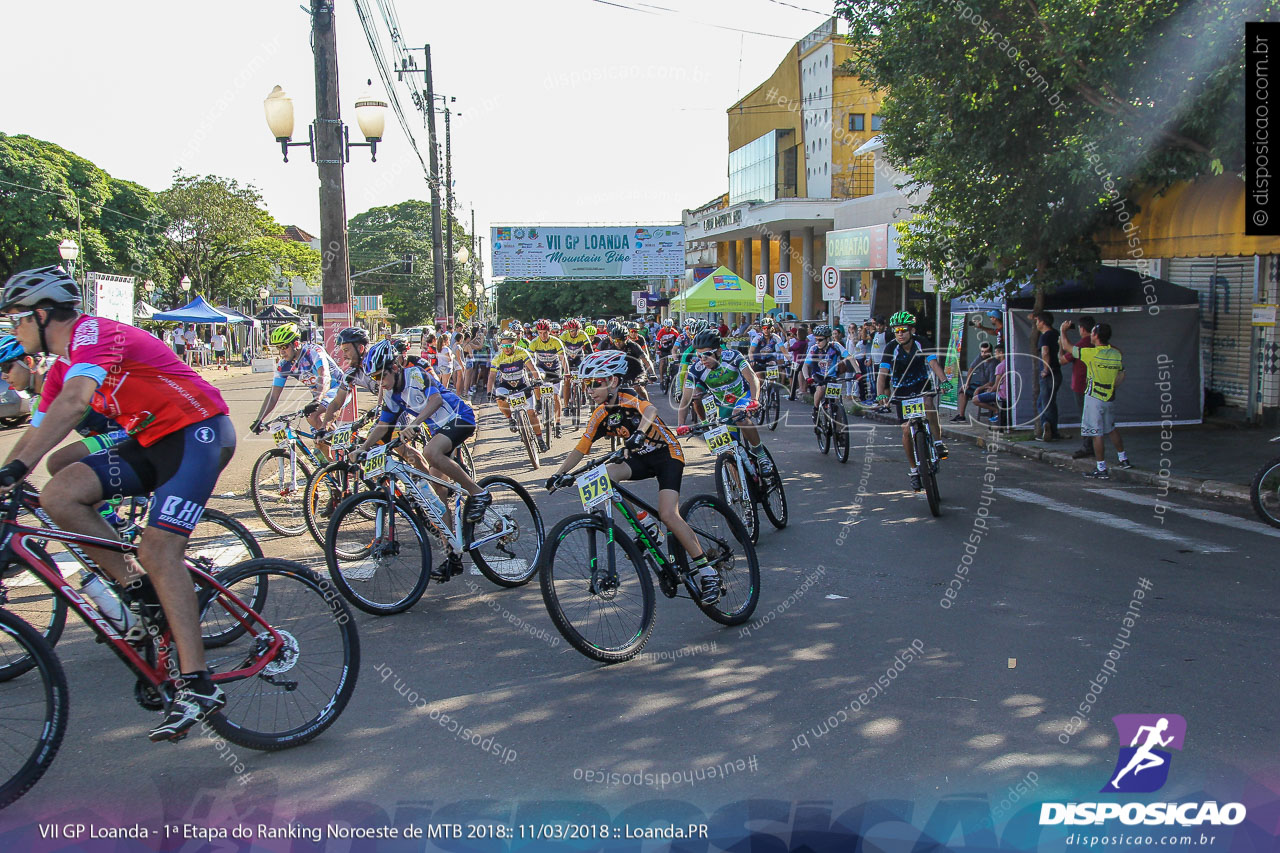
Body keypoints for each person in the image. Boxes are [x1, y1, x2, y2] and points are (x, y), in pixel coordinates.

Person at [0, 265, 236, 741]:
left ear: (43, 315)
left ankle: (197, 683)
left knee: (158, 549)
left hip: (199, 433)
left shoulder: (95, 333)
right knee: (59, 494)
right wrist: (7, 477)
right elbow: (37, 432)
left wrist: (11, 472)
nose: (13, 328)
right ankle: (137, 591)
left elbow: (73, 406)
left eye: (16, 318)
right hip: (151, 442)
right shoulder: (60, 369)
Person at [545, 349, 721, 604]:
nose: (590, 390)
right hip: (639, 458)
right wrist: (559, 474)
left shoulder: (629, 398)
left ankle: (708, 572)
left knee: (669, 514)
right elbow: (581, 448)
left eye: (595, 383)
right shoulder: (600, 415)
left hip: (667, 455)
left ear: (613, 381)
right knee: (600, 477)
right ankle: (645, 524)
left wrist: (639, 433)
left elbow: (650, 411)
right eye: (586, 385)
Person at [352, 340, 489, 576]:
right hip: (440, 430)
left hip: (459, 417)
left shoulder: (414, 374)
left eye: (381, 376)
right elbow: (384, 424)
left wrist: (414, 424)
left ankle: (478, 492)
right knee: (438, 498)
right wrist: (363, 447)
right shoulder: (391, 395)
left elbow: (435, 401)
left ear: (394, 368)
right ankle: (453, 554)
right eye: (374, 378)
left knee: (430, 453)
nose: (379, 382)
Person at [676, 328, 774, 476]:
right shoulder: (696, 369)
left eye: (707, 354)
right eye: (699, 355)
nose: (703, 359)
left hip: (743, 396)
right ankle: (741, 490)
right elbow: (685, 399)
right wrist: (681, 423)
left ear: (719, 352)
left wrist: (754, 400)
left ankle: (760, 454)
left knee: (739, 414)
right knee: (726, 451)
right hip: (723, 405)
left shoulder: (733, 357)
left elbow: (752, 378)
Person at [875, 311, 951, 492]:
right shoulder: (891, 348)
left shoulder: (921, 342)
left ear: (912, 330)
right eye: (896, 331)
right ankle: (914, 470)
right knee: (905, 430)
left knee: (928, 404)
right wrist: (880, 395)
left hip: (922, 384)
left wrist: (944, 380)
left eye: (903, 330)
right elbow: (882, 374)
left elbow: (933, 364)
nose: (900, 334)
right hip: (902, 390)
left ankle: (938, 442)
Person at [249, 322, 341, 460]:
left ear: (296, 343)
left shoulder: (314, 352)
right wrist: (259, 419)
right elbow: (273, 396)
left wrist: (317, 399)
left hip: (338, 389)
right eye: (278, 348)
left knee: (313, 417)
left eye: (284, 347)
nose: (281, 352)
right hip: (319, 396)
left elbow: (325, 377)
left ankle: (344, 447)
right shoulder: (284, 365)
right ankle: (334, 471)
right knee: (319, 444)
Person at [1059, 320, 1131, 478]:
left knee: (1096, 432)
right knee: (1111, 428)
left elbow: (1066, 347)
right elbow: (1121, 373)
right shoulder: (1116, 354)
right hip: (1110, 397)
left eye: (1092, 332)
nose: (1090, 335)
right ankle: (1123, 459)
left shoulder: (1090, 353)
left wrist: (1063, 331)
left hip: (1094, 397)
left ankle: (1101, 468)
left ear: (1096, 336)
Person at [488, 329, 545, 443]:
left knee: (531, 413)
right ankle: (510, 419)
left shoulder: (522, 352)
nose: (507, 348)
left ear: (514, 343)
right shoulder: (498, 357)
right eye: (504, 345)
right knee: (500, 398)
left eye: (509, 345)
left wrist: (537, 379)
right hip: (506, 385)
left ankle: (539, 438)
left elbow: (533, 368)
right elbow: (491, 376)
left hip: (522, 384)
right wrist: (489, 392)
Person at [801, 324, 859, 422]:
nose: (817, 342)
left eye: (820, 340)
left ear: (828, 339)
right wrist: (807, 378)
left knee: (836, 401)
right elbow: (805, 366)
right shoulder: (814, 349)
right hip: (818, 375)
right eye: (816, 339)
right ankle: (815, 409)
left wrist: (858, 372)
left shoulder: (835, 346)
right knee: (820, 389)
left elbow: (849, 357)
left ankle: (838, 423)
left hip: (832, 376)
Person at [526, 319, 569, 437]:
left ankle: (558, 424)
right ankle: (539, 401)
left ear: (549, 332)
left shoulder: (556, 342)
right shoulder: (534, 342)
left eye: (545, 333)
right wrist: (528, 372)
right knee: (536, 379)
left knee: (555, 397)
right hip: (541, 369)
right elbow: (528, 359)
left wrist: (567, 372)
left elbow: (563, 358)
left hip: (554, 370)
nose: (543, 336)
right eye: (540, 333)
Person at [1063, 315, 1097, 459]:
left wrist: (1062, 332)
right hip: (1095, 384)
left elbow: (1064, 358)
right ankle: (1092, 445)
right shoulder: (1096, 344)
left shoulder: (1082, 345)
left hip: (1082, 385)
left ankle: (1088, 446)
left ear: (1082, 329)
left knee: (1086, 417)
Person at [1032, 310, 1063, 440]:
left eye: (1037, 321)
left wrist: (1045, 369)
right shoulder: (1056, 334)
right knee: (1046, 402)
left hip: (1049, 374)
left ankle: (1049, 428)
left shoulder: (1045, 336)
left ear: (1043, 322)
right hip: (1057, 372)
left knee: (1046, 403)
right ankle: (1049, 426)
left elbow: (1045, 352)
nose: (1036, 324)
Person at [951, 341, 998, 422]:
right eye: (982, 351)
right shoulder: (980, 357)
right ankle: (961, 416)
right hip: (982, 383)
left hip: (989, 386)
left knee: (980, 392)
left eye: (985, 352)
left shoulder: (993, 363)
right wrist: (967, 383)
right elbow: (971, 368)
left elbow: (992, 382)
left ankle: (995, 410)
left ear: (990, 352)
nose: (983, 354)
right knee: (963, 390)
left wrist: (979, 389)